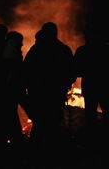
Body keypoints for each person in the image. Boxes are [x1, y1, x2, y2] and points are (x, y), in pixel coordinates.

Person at [23, 22, 75, 161]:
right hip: (55, 93)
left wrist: (28, 88)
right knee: (53, 121)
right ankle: (52, 152)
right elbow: (71, 70)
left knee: (39, 122)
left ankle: (35, 154)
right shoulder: (63, 49)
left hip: (38, 93)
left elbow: (26, 70)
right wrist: (65, 84)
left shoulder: (36, 49)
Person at [73, 25, 109, 135]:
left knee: (90, 114)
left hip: (90, 86)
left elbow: (76, 70)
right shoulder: (106, 49)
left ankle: (92, 136)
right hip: (105, 86)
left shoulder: (83, 50)